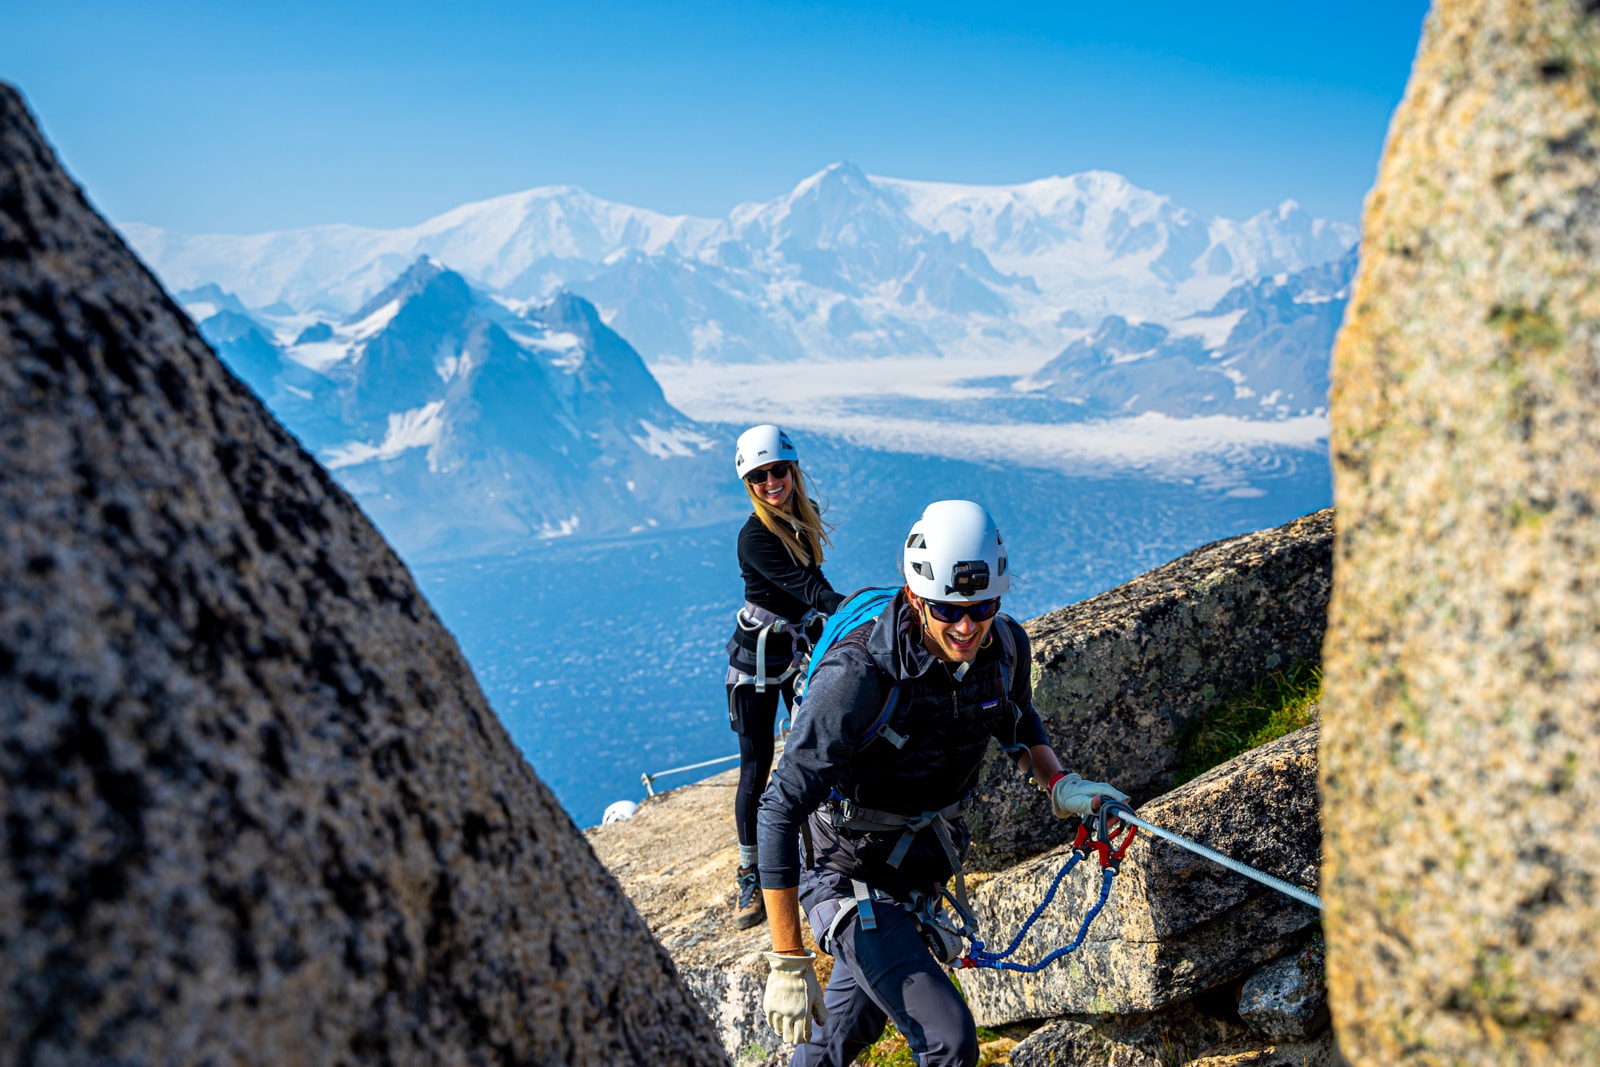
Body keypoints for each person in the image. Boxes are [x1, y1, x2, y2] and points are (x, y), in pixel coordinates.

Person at [755, 500, 1127, 1067]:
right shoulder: (857, 678)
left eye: (981, 607)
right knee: (948, 1039)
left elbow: (1017, 717)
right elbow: (779, 807)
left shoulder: (1003, 648)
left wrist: (1058, 782)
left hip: (917, 870)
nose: (965, 626)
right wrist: (788, 957)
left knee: (842, 1032)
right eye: (945, 609)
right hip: (846, 873)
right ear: (913, 596)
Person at [726, 424, 844, 929]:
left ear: (792, 470)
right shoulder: (756, 536)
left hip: (794, 652)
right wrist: (853, 611)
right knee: (756, 764)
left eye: (778, 470)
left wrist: (842, 609)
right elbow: (805, 587)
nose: (770, 481)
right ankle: (752, 874)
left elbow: (811, 588)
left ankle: (822, 851)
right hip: (756, 662)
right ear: (747, 482)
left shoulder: (797, 522)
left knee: (816, 750)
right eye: (759, 475)